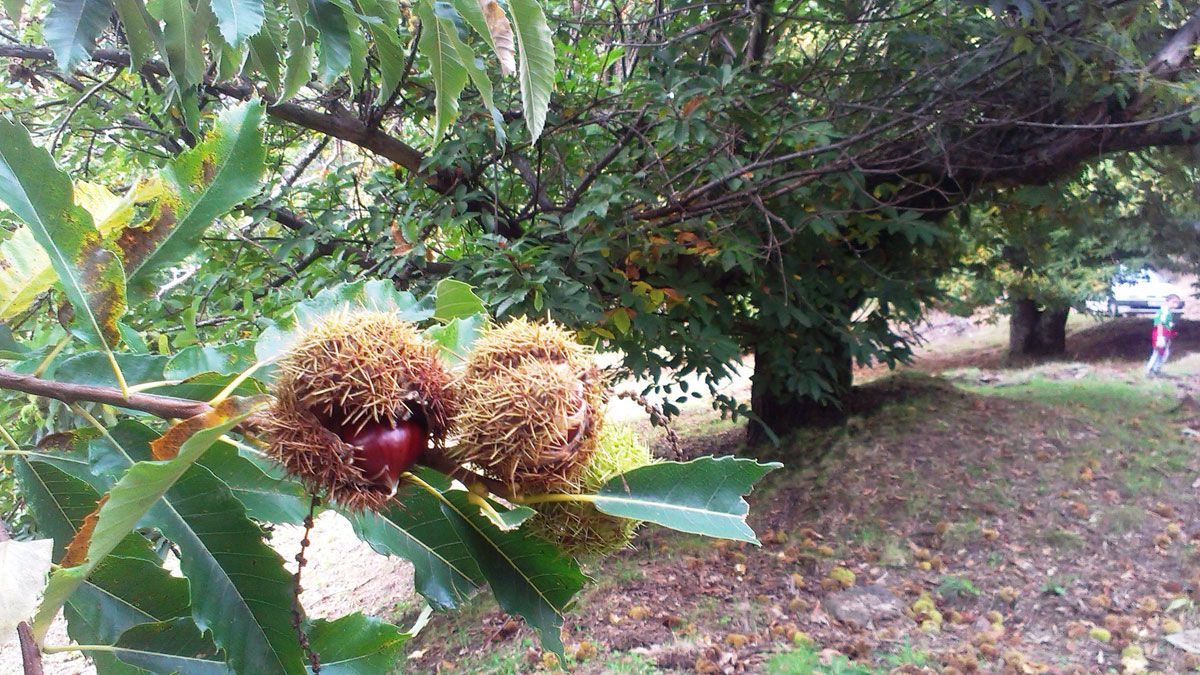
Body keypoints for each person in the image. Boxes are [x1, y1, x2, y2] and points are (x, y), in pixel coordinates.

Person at [1146, 294, 1183, 377]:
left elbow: (1167, 324)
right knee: (1157, 353)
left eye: (1177, 303)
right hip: (1160, 335)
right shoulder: (1164, 311)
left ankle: (1156, 370)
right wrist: (1160, 337)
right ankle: (1150, 371)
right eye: (1174, 302)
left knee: (1164, 353)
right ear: (1167, 301)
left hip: (1165, 334)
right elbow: (1159, 324)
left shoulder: (1168, 311)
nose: (1175, 304)